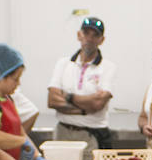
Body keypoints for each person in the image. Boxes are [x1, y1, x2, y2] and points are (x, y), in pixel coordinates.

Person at [0, 43, 57, 160]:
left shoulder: (8, 98)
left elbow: (20, 132)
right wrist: (21, 142)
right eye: (15, 79)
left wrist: (38, 157)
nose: (19, 83)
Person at [48, 15, 118, 151]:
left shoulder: (108, 67)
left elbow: (97, 104)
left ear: (101, 40)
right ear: (79, 35)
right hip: (63, 133)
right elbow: (52, 101)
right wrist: (84, 110)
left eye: (95, 35)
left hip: (91, 137)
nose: (89, 39)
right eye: (86, 33)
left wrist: (68, 96)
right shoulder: (63, 64)